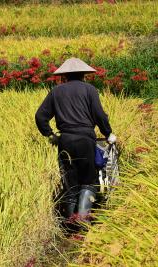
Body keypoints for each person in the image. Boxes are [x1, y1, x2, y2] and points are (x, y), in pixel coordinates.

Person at [35, 58, 116, 230]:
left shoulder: (56, 92)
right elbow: (99, 115)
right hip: (85, 139)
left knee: (70, 181)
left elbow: (40, 116)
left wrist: (50, 135)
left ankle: (70, 226)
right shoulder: (89, 90)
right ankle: (83, 220)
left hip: (65, 141)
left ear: (64, 75)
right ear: (83, 74)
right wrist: (108, 133)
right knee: (88, 180)